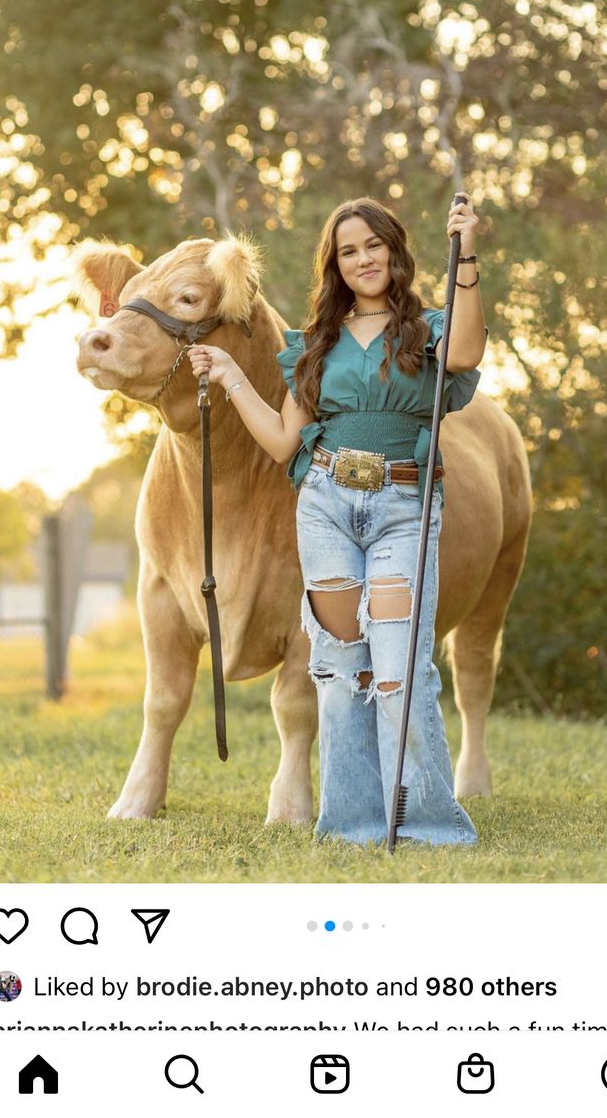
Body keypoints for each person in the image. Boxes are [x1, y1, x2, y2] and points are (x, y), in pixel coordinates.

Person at [188, 195, 488, 846]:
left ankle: (427, 826)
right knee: (339, 667)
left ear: (395, 250)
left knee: (400, 665)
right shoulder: (316, 345)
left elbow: (464, 356)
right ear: (336, 268)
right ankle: (351, 824)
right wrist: (235, 375)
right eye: (348, 252)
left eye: (372, 245)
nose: (363, 260)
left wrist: (465, 255)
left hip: (402, 507)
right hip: (325, 506)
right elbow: (280, 442)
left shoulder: (429, 329)